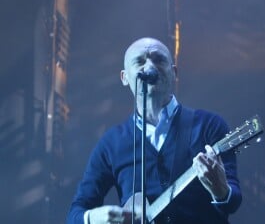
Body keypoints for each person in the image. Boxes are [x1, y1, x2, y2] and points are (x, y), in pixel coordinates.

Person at [67, 37, 242, 224]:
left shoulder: (209, 125)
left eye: (159, 60)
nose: (150, 67)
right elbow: (76, 213)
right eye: (139, 61)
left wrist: (221, 191)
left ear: (174, 72)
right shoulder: (111, 143)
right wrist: (93, 218)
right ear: (124, 77)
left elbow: (232, 203)